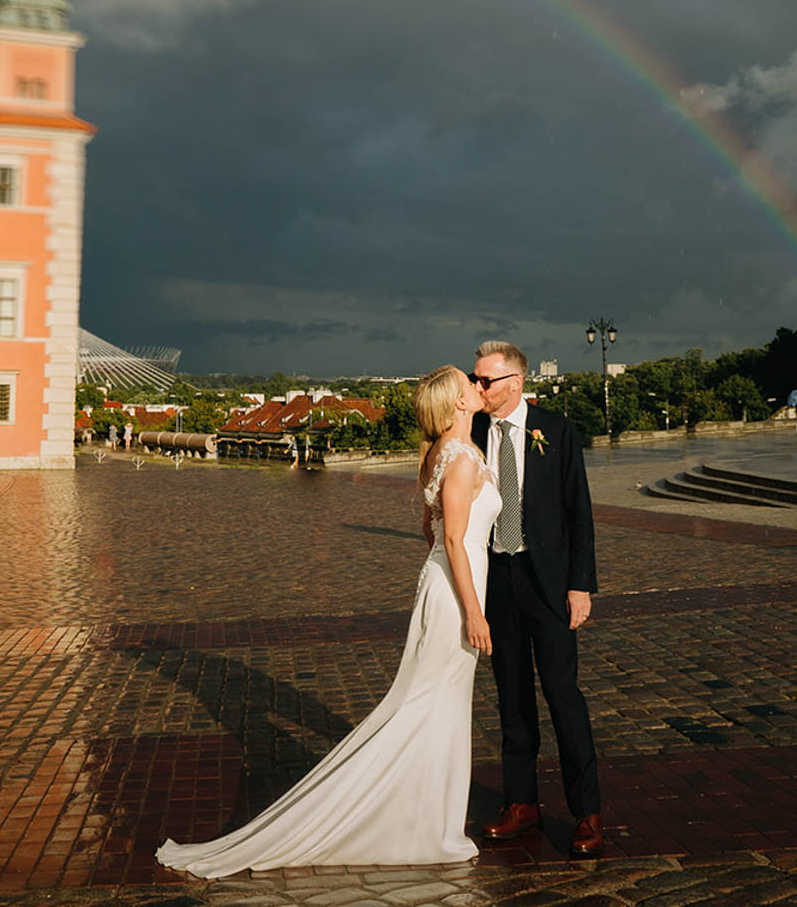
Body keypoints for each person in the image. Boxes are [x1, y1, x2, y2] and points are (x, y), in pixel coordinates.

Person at [156, 365, 498, 877]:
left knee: (433, 703)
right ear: (458, 403)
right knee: (429, 704)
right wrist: (474, 611)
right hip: (457, 593)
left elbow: (430, 535)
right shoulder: (464, 459)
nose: (478, 385)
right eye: (470, 382)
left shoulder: (437, 457)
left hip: (445, 584)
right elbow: (450, 539)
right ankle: (420, 822)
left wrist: (449, 581)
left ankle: (431, 819)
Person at [471, 340, 603, 858]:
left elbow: (580, 513)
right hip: (497, 578)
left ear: (515, 383)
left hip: (546, 581)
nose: (478, 388)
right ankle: (521, 803)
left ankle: (586, 812)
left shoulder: (558, 430)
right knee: (511, 696)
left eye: (486, 381)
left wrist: (580, 584)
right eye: (475, 379)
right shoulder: (474, 431)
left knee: (563, 695)